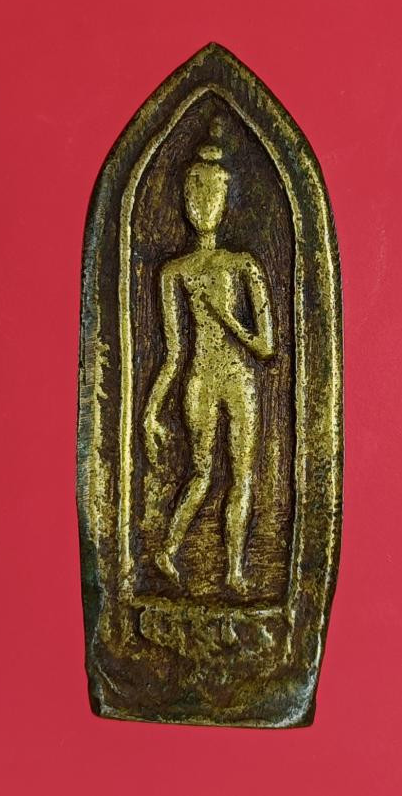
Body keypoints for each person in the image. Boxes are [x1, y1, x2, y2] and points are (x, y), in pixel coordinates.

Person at [144, 128, 275, 593]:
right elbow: (173, 352)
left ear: (225, 198)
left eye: (211, 191)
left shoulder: (243, 266)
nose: (201, 202)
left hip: (239, 378)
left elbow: (266, 347)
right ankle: (168, 548)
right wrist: (151, 409)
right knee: (201, 472)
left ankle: (235, 569)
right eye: (193, 191)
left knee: (242, 475)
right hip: (199, 378)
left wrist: (228, 319)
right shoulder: (174, 272)